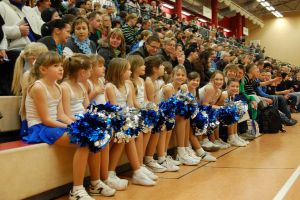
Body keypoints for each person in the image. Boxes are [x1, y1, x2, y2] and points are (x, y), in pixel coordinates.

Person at [20, 51, 97, 200]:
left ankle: (96, 182)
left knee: (92, 135)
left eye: (61, 65)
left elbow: (62, 115)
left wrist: (78, 124)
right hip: (39, 128)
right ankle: (77, 190)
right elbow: (46, 119)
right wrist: (71, 128)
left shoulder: (57, 87)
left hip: (54, 124)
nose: (61, 68)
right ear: (43, 70)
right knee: (84, 141)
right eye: (56, 66)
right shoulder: (38, 87)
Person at [61, 54, 116, 197]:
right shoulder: (65, 87)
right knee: (88, 140)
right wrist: (84, 122)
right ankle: (78, 188)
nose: (91, 72)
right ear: (82, 72)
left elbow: (87, 107)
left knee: (100, 136)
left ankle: (96, 182)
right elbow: (66, 114)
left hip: (83, 120)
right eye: (89, 70)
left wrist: (97, 118)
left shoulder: (81, 86)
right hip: (73, 122)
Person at [105, 58, 156, 190]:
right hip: (116, 118)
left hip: (126, 116)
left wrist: (137, 115)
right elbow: (114, 108)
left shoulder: (128, 84)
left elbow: (131, 105)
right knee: (128, 133)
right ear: (118, 71)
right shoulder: (110, 86)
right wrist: (128, 118)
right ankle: (133, 170)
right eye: (127, 69)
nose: (130, 71)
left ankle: (139, 166)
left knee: (138, 129)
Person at [127, 55, 159, 180]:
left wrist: (150, 107)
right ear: (134, 67)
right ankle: (139, 164)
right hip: (135, 110)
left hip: (141, 109)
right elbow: (134, 102)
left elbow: (145, 99)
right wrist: (145, 109)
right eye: (141, 65)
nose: (144, 67)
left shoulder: (142, 80)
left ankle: (141, 162)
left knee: (150, 127)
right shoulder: (130, 82)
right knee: (142, 128)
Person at [187, 72, 217, 161]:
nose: (195, 82)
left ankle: (198, 148)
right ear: (187, 80)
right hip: (181, 116)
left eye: (197, 80)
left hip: (188, 115)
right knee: (192, 123)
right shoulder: (185, 89)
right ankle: (199, 151)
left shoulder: (194, 91)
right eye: (193, 80)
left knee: (200, 120)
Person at [198, 71, 229, 151]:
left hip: (202, 109)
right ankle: (209, 140)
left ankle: (216, 139)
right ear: (212, 80)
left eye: (221, 79)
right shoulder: (210, 88)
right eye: (216, 79)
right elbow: (205, 105)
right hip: (196, 109)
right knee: (212, 113)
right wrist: (221, 108)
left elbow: (211, 107)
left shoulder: (219, 91)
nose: (219, 82)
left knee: (215, 113)